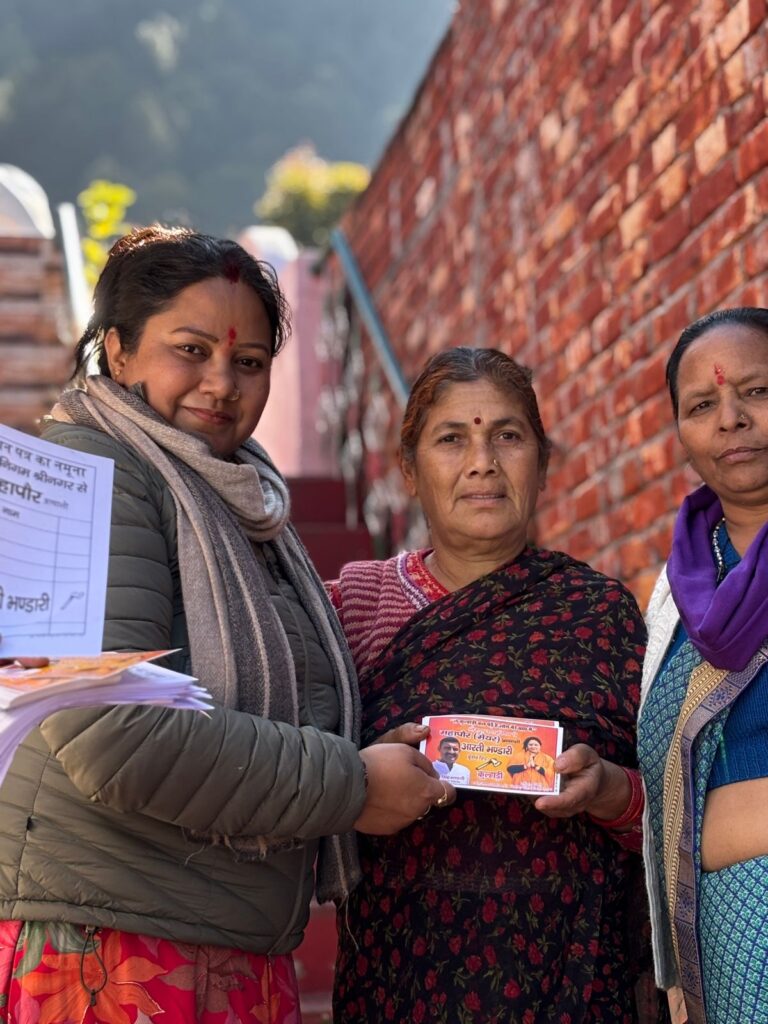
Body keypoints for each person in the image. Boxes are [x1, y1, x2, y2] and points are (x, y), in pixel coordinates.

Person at [0, 225, 450, 1024]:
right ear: (119, 350)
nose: (221, 383)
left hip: (209, 933)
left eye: (247, 363)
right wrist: (349, 784)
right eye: (191, 350)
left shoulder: (238, 497)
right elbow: (112, 734)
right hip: (115, 948)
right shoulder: (90, 477)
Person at [327, 347, 657, 1024]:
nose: (483, 461)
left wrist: (608, 790)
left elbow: (671, 814)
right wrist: (357, 774)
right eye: (453, 439)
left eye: (508, 435)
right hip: (401, 978)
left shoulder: (600, 613)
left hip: (576, 980)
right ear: (410, 472)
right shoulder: (356, 604)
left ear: (541, 464)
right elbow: (294, 780)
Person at [638, 307, 768, 1024]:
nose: (731, 419)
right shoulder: (677, 590)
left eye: (757, 392)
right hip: (719, 941)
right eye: (702, 405)